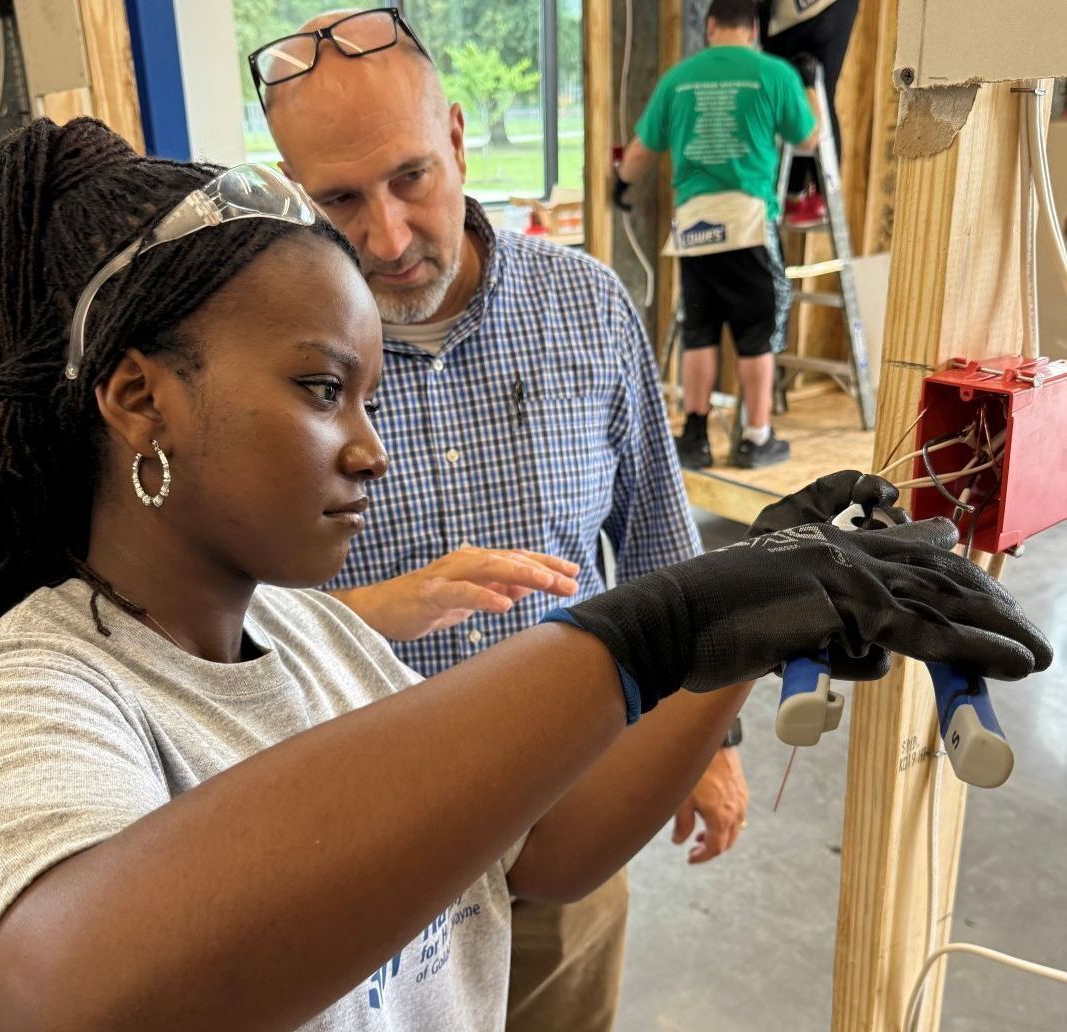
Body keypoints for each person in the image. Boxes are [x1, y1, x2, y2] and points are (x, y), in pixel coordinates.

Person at [0, 116, 1050, 1032]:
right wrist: (632, 635)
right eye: (323, 390)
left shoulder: (317, 637)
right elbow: (61, 994)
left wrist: (728, 643)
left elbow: (536, 854)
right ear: (141, 399)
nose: (369, 446)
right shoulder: (27, 696)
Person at [253, 9, 748, 1030]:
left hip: (570, 809)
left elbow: (657, 530)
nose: (386, 237)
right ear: (290, 185)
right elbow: (228, 625)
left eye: (410, 179)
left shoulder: (585, 306)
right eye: (338, 199)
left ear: (460, 141)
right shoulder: (268, 355)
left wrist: (712, 734)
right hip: (354, 858)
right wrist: (373, 610)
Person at [616, 0, 819, 471]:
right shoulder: (774, 73)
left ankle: (694, 438)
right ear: (752, 29)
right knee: (755, 336)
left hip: (694, 226)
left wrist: (622, 183)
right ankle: (755, 438)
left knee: (700, 332)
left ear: (710, 26)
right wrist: (809, 84)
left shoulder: (679, 78)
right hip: (747, 220)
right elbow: (809, 140)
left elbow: (641, 152)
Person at [760, 0, 861, 225]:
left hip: (806, 16)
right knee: (813, 92)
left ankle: (810, 195)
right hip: (819, 13)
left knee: (809, 93)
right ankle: (801, 193)